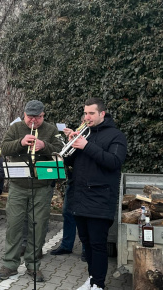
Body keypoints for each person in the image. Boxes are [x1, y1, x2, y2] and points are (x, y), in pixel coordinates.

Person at [0, 100, 63, 282]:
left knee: (38, 226)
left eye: (37, 117)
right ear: (24, 114)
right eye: (29, 117)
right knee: (14, 225)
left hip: (41, 187)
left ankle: (33, 265)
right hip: (18, 186)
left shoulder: (51, 130)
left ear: (43, 115)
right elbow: (4, 147)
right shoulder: (16, 128)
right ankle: (10, 264)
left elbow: (60, 150)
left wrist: (44, 146)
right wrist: (20, 142)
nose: (32, 121)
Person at [64, 98, 127, 290]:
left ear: (102, 114)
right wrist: (72, 145)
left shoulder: (116, 136)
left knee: (98, 245)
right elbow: (71, 163)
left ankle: (98, 284)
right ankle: (92, 278)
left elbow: (114, 162)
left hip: (100, 198)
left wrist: (86, 146)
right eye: (85, 113)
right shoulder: (86, 134)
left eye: (91, 113)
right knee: (87, 243)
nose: (87, 117)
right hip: (80, 197)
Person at [50, 127, 86, 261]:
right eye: (83, 121)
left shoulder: (93, 137)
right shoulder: (77, 136)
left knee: (83, 216)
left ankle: (86, 249)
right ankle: (66, 245)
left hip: (87, 182)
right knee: (67, 212)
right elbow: (68, 159)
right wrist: (69, 142)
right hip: (73, 180)